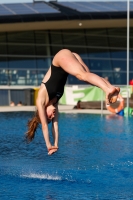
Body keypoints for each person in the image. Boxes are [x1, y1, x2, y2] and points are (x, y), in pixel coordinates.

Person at [25, 49, 120, 155]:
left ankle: (108, 90)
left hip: (60, 58)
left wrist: (48, 145)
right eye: (51, 118)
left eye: (49, 117)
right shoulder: (55, 103)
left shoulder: (41, 100)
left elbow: (44, 126)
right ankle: (111, 88)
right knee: (87, 77)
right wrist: (55, 145)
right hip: (70, 58)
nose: (52, 117)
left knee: (82, 75)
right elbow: (55, 126)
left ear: (42, 112)